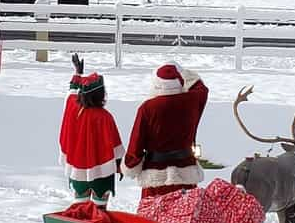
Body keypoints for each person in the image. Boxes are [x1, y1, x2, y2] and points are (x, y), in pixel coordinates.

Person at [122, 63, 209, 199]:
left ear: (157, 85)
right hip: (186, 171)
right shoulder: (192, 100)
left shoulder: (147, 108)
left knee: (153, 216)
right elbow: (201, 88)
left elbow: (136, 143)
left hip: (155, 175)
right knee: (185, 215)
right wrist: (183, 71)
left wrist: (129, 165)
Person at [59, 54, 124, 208]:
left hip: (77, 168)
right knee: (99, 210)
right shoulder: (104, 117)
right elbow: (114, 145)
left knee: (80, 208)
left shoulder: (73, 106)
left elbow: (72, 91)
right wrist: (120, 165)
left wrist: (77, 73)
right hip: (101, 171)